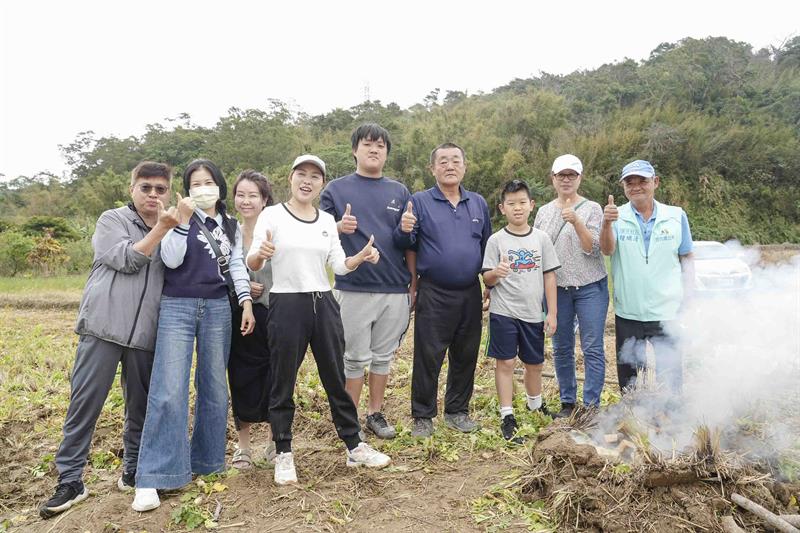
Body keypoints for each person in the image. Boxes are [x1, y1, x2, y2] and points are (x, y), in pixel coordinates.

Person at [38, 162, 179, 519]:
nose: (153, 195)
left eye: (160, 189)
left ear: (169, 192)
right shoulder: (112, 220)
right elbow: (127, 259)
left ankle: (132, 470)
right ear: (132, 189)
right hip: (103, 327)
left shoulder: (174, 231)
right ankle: (71, 480)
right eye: (145, 187)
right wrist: (162, 228)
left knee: (140, 407)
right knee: (85, 404)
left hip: (145, 333)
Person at [247, 154, 391, 486]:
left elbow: (338, 265)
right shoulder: (272, 215)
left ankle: (354, 445)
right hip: (287, 303)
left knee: (335, 377)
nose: (307, 180)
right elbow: (253, 260)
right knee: (283, 380)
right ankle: (283, 451)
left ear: (321, 184)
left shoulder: (326, 220)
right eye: (301, 174)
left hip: (324, 302)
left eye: (314, 176)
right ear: (291, 178)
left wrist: (360, 257)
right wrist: (260, 255)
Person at [132, 159, 255, 512]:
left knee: (214, 387)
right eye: (196, 184)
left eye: (209, 182)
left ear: (219, 185)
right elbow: (171, 260)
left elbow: (236, 265)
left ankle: (208, 462)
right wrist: (182, 222)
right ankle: (154, 475)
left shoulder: (230, 225)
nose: (203, 189)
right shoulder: (175, 217)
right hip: (178, 306)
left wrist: (245, 301)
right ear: (187, 190)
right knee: (169, 388)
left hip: (218, 308)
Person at [319, 123, 413, 440]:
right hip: (353, 288)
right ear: (355, 150)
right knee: (355, 358)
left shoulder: (399, 191)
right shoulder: (336, 189)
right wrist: (338, 227)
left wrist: (406, 230)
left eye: (380, 145)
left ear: (387, 153)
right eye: (368, 144)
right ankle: (350, 421)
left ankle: (375, 413)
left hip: (394, 288)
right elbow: (317, 232)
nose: (374, 149)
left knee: (383, 357)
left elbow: (405, 242)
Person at [399, 143, 492, 438]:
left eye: (455, 160)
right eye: (443, 161)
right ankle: (422, 415)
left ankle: (457, 411)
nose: (449, 166)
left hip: (470, 291)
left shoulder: (478, 203)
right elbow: (407, 245)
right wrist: (403, 229)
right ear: (433, 169)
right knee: (428, 355)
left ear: (464, 166)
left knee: (466, 354)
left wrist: (489, 284)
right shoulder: (419, 201)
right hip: (434, 291)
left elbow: (487, 246)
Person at [600, 159, 694, 393]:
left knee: (669, 375)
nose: (636, 187)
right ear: (623, 187)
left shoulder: (676, 216)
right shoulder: (616, 215)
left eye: (642, 181)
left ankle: (670, 411)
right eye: (629, 183)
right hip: (628, 310)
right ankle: (632, 413)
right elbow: (607, 250)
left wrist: (689, 295)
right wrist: (606, 224)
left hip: (666, 310)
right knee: (630, 378)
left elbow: (687, 257)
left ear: (655, 182)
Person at [482, 180, 560, 443]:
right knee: (505, 363)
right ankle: (507, 414)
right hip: (503, 312)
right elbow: (487, 278)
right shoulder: (496, 240)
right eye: (511, 203)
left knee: (535, 363)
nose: (517, 208)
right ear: (502, 208)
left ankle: (535, 404)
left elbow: (549, 277)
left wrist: (552, 313)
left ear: (531, 205)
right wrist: (496, 272)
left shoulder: (541, 239)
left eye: (522, 203)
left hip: (533, 313)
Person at [533, 154, 609, 418]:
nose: (566, 180)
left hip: (590, 287)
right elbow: (538, 252)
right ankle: (567, 403)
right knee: (561, 347)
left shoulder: (593, 208)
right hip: (557, 290)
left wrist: (576, 221)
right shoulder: (543, 212)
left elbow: (592, 248)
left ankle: (591, 406)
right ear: (553, 179)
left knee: (592, 347)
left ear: (580, 178)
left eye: (571, 175)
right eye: (561, 175)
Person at [228, 170, 275, 469]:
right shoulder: (228, 231)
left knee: (277, 375)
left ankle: (274, 441)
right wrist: (242, 286)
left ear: (265, 199)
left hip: (274, 311)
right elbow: (221, 269)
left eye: (253, 195)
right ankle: (243, 446)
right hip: (239, 314)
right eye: (240, 195)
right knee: (239, 375)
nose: (246, 201)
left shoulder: (276, 228)